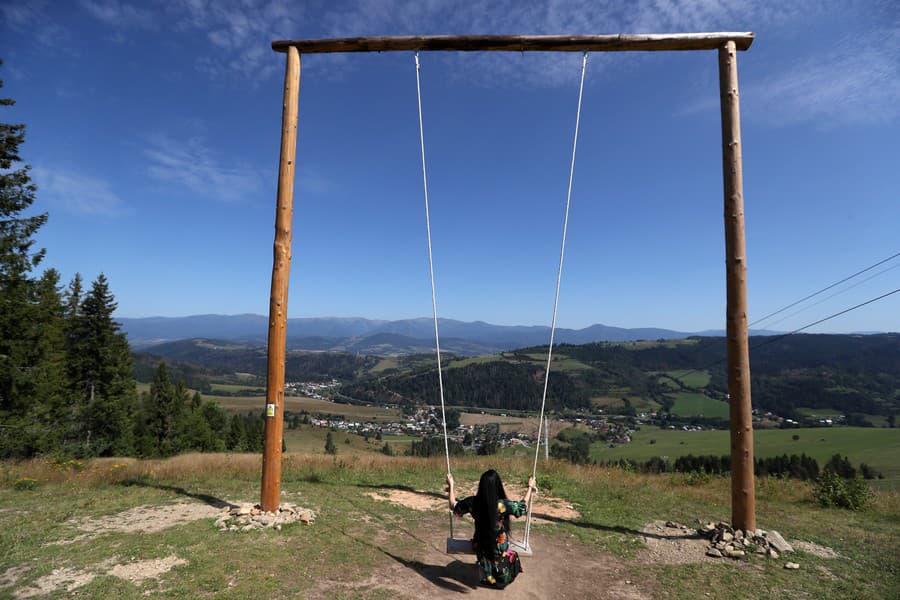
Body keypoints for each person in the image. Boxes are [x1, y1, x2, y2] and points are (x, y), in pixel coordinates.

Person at [447, 470, 537, 589]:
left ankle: (486, 572)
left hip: (480, 545)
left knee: (487, 555)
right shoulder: (502, 505)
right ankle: (496, 575)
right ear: (498, 486)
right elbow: (522, 507)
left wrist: (451, 485)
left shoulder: (473, 502)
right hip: (499, 548)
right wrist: (530, 487)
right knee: (509, 556)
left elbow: (454, 506)